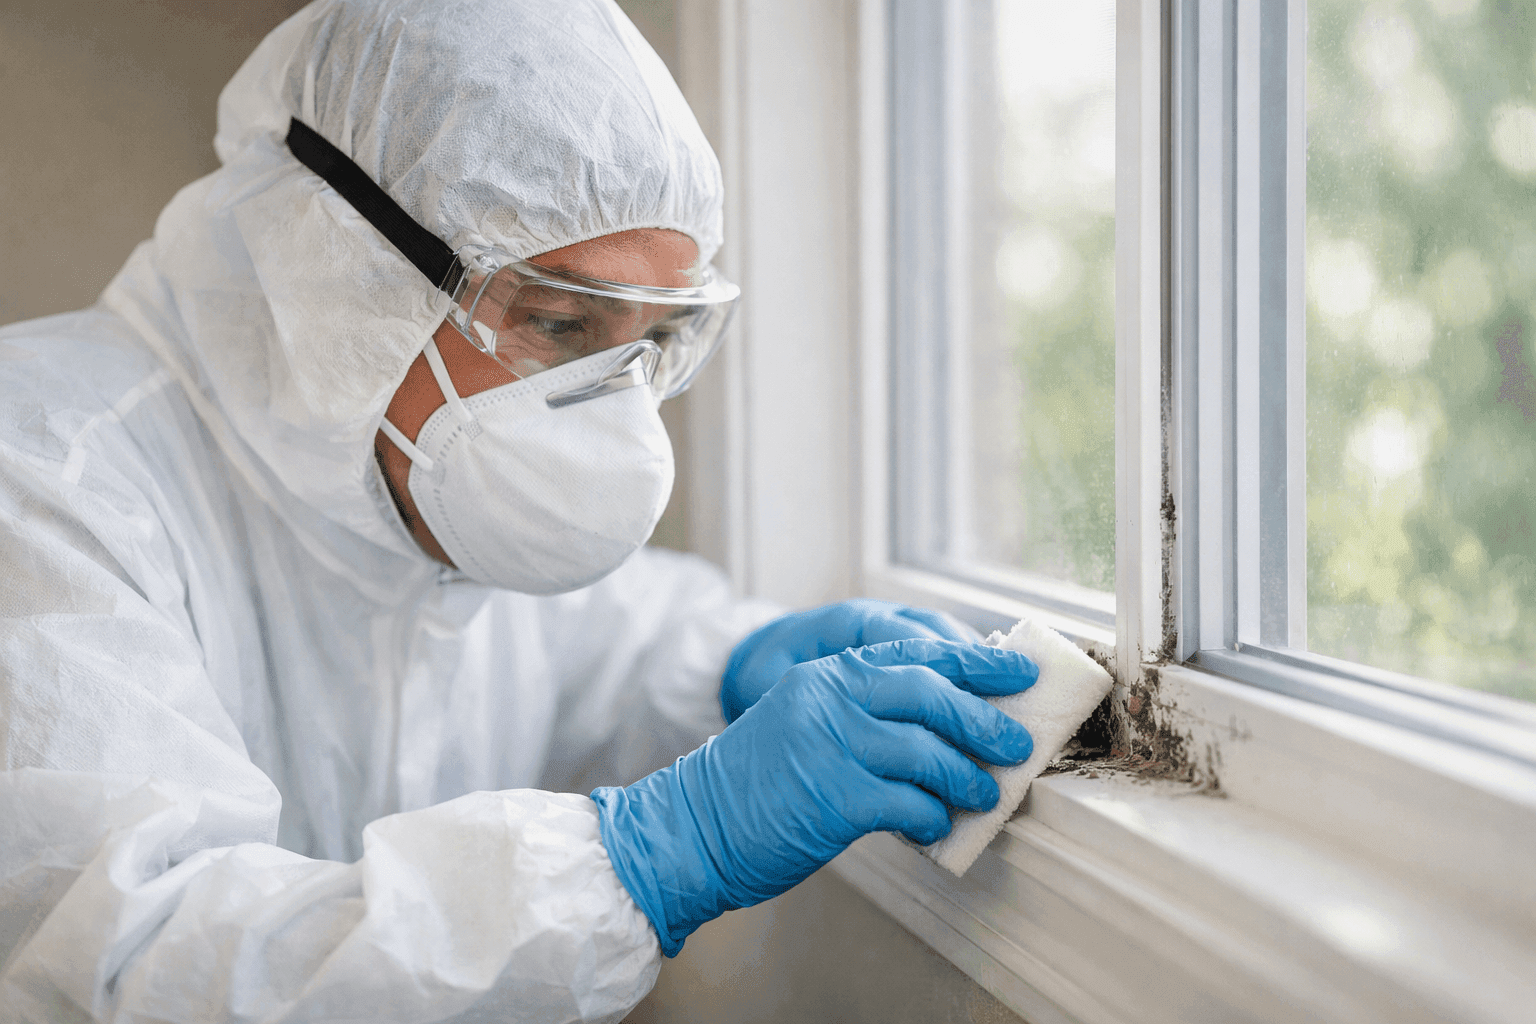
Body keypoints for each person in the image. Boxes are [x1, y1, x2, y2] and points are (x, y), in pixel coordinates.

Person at [0, 1, 1039, 1020]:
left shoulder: (406, 494)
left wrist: (735, 664)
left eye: (649, 342)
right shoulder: (43, 467)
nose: (611, 408)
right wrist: (667, 848)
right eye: (558, 320)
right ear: (337, 263)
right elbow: (130, 962)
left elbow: (591, 641)